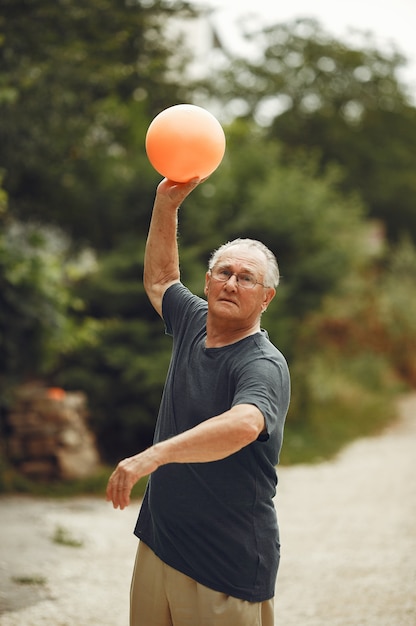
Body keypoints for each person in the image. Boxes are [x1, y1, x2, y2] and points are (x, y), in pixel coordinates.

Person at [106, 177, 291, 626]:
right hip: (160, 542)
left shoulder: (262, 364)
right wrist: (166, 204)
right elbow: (161, 278)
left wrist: (154, 456)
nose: (231, 283)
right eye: (224, 273)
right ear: (207, 283)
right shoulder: (193, 320)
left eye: (246, 278)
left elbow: (245, 423)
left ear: (266, 297)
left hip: (223, 564)